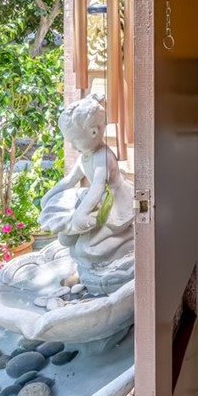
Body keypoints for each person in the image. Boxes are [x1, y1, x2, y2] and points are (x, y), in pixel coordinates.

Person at [39, 95, 134, 278]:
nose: (73, 147)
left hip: (116, 206)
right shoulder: (85, 155)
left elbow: (98, 188)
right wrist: (48, 197)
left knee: (86, 249)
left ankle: (131, 240)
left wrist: (80, 215)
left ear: (93, 132)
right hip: (100, 204)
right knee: (65, 238)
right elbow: (70, 180)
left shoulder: (103, 157)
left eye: (75, 141)